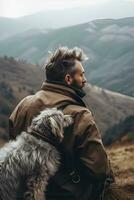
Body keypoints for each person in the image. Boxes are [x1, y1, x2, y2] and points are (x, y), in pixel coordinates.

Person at [9, 47, 115, 200]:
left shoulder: (23, 105)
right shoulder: (80, 115)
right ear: (68, 79)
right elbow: (98, 170)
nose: (85, 80)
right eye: (81, 75)